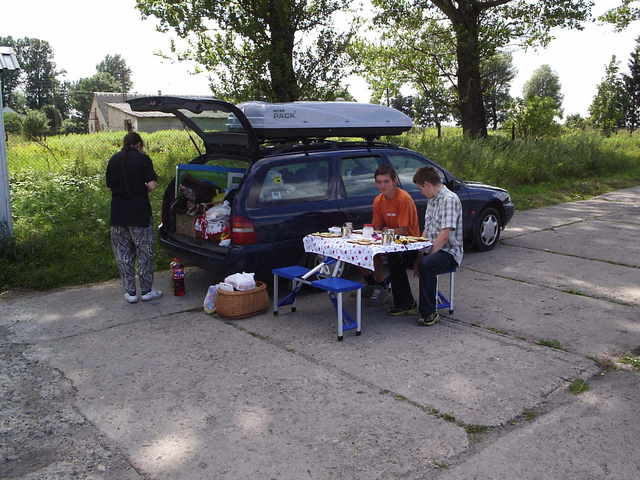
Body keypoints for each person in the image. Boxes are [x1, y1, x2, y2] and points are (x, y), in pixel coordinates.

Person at [106, 132, 163, 304]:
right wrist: (142, 189)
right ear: (138, 144)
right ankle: (146, 291)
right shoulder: (143, 159)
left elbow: (109, 187)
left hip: (117, 214)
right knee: (144, 253)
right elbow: (152, 185)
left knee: (123, 254)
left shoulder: (113, 159)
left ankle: (130, 293)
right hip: (139, 214)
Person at [364, 164, 420, 315]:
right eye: (379, 182)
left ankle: (407, 303)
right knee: (364, 254)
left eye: (386, 181)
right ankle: (378, 286)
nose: (383, 185)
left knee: (395, 259)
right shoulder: (378, 200)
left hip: (410, 243)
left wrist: (383, 231)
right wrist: (373, 230)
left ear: (394, 181)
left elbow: (403, 230)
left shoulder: (404, 199)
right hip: (390, 243)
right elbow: (376, 227)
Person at [412, 166, 463, 326]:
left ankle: (429, 313)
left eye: (420, 188)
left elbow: (445, 234)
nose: (421, 192)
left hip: (449, 251)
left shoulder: (449, 199)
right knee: (402, 257)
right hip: (434, 246)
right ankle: (405, 302)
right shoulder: (432, 200)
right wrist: (418, 252)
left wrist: (427, 255)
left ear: (427, 184)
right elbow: (426, 230)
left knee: (427, 264)